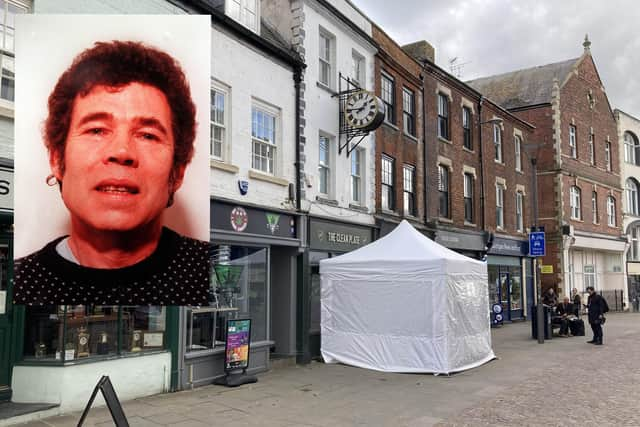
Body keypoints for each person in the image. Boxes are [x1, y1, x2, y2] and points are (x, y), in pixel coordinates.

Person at [13, 41, 210, 306]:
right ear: (57, 160)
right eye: (96, 130)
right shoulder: (19, 280)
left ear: (177, 172)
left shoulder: (210, 271)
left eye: (148, 135)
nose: (121, 151)